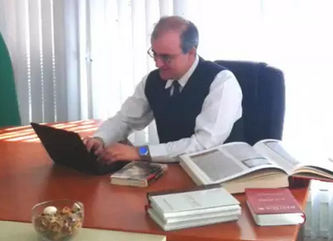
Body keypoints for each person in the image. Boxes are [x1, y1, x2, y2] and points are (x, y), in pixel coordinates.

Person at [84, 16, 243, 163]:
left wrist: (140, 152)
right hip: (174, 169)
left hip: (221, 171)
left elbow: (204, 144)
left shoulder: (222, 82)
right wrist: (100, 139)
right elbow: (125, 119)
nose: (158, 63)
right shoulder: (153, 81)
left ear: (191, 52)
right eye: (155, 54)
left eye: (167, 57)